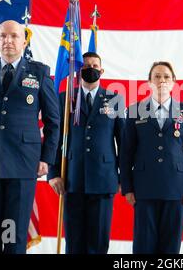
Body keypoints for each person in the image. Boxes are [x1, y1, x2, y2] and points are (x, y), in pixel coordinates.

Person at [0, 20, 60, 254]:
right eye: (3, 36)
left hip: (23, 164)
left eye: (14, 36)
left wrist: (46, 158)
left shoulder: (39, 72)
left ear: (24, 41)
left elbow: (53, 122)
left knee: (14, 237)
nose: (8, 41)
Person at [120, 61, 183, 254]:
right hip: (143, 188)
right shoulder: (134, 111)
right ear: (149, 82)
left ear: (174, 82)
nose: (161, 80)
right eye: (156, 76)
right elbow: (126, 153)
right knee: (143, 246)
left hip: (176, 189)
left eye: (166, 76)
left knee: (170, 246)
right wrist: (127, 187)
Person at [48, 52, 125, 254]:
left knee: (98, 243)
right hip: (72, 179)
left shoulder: (114, 99)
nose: (90, 68)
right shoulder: (65, 99)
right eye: (86, 66)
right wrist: (54, 172)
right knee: (74, 243)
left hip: (104, 179)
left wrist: (122, 177)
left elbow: (123, 142)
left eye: (95, 65)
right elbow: (55, 138)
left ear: (101, 70)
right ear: (79, 70)